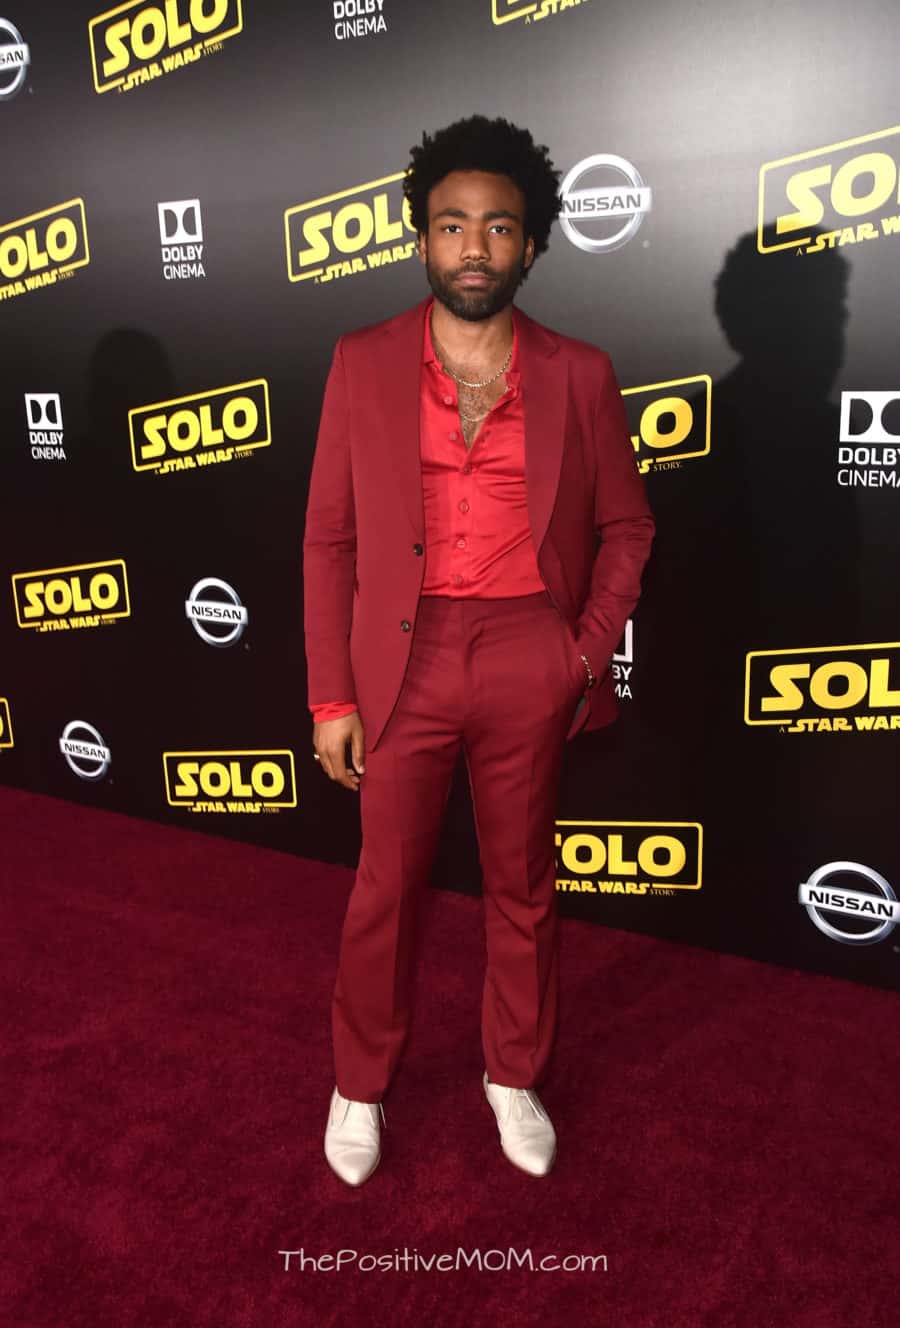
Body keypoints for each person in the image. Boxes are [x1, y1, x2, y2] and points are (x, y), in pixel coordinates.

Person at [303, 115, 655, 1185]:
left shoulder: (580, 372)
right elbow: (329, 537)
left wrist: (581, 655)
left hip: (525, 653)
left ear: (533, 245)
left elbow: (628, 529)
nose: (473, 246)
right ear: (421, 238)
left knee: (523, 884)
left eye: (498, 228)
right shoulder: (361, 362)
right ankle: (359, 1084)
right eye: (451, 224)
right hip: (400, 663)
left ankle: (514, 1071)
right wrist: (331, 694)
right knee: (384, 887)